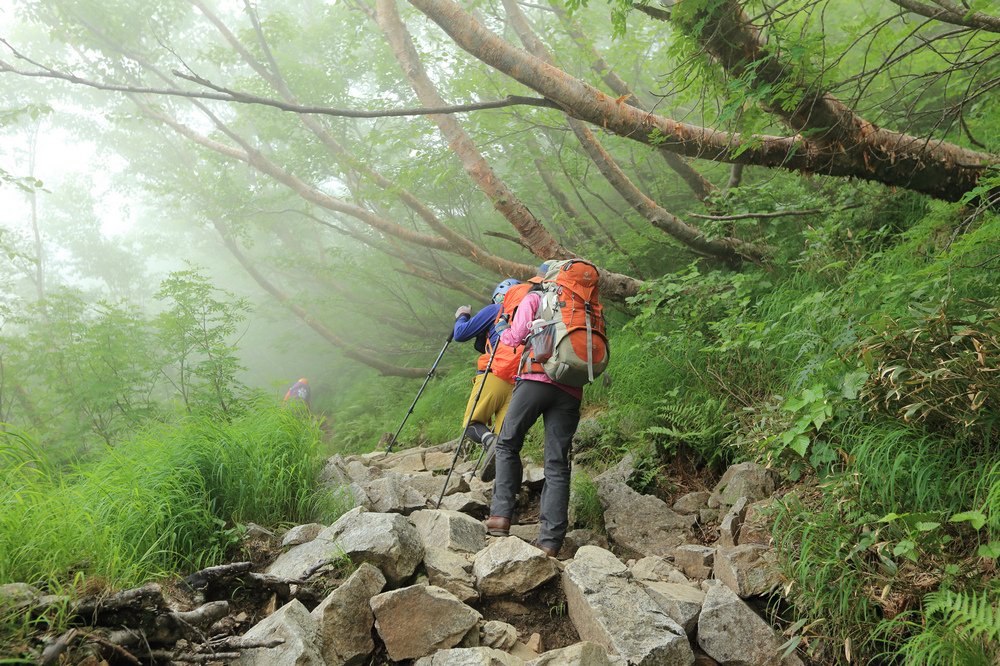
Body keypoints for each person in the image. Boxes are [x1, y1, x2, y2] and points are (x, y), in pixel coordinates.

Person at [483, 285, 583, 557]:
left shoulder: (537, 297)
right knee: (557, 464)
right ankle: (550, 542)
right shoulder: (582, 305)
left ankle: (501, 516)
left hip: (535, 380)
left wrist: (503, 327)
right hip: (571, 388)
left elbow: (515, 338)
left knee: (507, 444)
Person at [452, 279, 522, 460]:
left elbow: (460, 334)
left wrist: (462, 315)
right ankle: (509, 485)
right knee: (507, 442)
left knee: (472, 424)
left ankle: (489, 440)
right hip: (521, 383)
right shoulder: (529, 314)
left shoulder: (497, 309)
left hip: (493, 375)